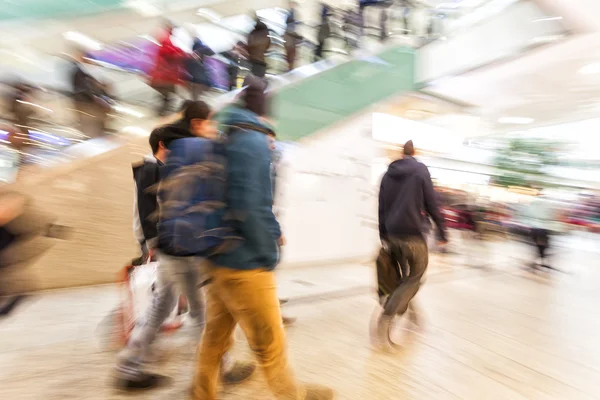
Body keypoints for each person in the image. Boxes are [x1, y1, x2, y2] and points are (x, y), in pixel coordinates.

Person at [192, 77, 333, 399]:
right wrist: (268, 252)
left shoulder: (225, 137)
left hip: (217, 258)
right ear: (265, 114)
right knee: (271, 345)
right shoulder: (253, 142)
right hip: (245, 263)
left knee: (214, 339)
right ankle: (292, 395)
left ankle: (202, 394)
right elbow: (250, 206)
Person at [115, 102, 254, 390]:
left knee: (161, 306)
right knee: (202, 313)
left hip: (171, 250)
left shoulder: (162, 168)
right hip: (178, 250)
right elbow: (147, 213)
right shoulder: (151, 169)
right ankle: (217, 369)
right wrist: (150, 244)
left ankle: (129, 366)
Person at [377, 140, 447, 324]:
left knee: (403, 277)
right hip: (413, 234)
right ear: (414, 152)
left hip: (392, 234)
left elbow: (382, 207)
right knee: (416, 276)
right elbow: (432, 203)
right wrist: (442, 232)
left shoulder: (387, 174)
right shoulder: (420, 170)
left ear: (401, 153)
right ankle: (388, 313)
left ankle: (403, 305)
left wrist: (383, 234)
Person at [70, 47, 110, 137]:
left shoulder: (91, 70)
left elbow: (100, 86)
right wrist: (96, 98)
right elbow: (83, 89)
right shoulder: (78, 72)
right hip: (87, 105)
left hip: (96, 105)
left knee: (99, 126)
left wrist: (105, 97)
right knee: (92, 127)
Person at [150, 21, 187, 116]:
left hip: (163, 76)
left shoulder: (165, 42)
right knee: (170, 94)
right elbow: (170, 52)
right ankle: (166, 110)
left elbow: (169, 52)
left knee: (167, 94)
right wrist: (181, 53)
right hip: (166, 76)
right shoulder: (166, 42)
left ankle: (164, 109)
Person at [525, 191, 556, 271]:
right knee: (543, 246)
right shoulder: (547, 204)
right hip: (543, 228)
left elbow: (528, 214)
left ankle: (539, 262)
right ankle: (541, 262)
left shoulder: (533, 203)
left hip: (534, 228)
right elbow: (550, 216)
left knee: (537, 246)